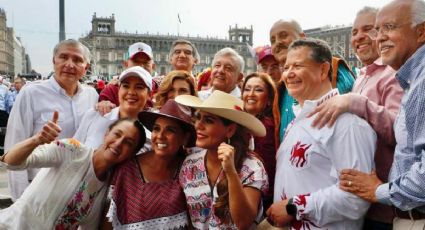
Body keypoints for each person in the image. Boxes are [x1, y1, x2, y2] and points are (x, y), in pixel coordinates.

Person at [306, 6, 404, 229]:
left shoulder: (394, 73)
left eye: (368, 29)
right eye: (354, 31)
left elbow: (398, 133)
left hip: (385, 207)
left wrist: (355, 102)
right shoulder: (362, 77)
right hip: (359, 202)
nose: (358, 37)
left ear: (382, 33)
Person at [267, 38, 376, 229]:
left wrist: (295, 207)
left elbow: (355, 199)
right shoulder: (295, 123)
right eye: (286, 68)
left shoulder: (347, 124)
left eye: (297, 66)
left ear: (323, 70)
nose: (288, 74)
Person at [338, 0, 425, 229]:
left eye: (389, 27)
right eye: (378, 30)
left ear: (421, 32)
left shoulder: (419, 80)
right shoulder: (409, 78)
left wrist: (379, 191)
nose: (378, 37)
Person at [0, 117, 146, 229]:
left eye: (128, 143)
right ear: (106, 133)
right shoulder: (72, 150)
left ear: (132, 153)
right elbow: (12, 162)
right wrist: (36, 140)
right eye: (117, 134)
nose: (119, 143)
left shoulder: (107, 189)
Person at [5, 39, 99, 201]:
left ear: (86, 68)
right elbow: (14, 143)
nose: (70, 64)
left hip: (77, 189)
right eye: (64, 57)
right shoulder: (31, 93)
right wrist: (20, 200)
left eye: (77, 60)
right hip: (38, 189)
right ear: (54, 61)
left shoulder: (92, 96)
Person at [176, 90, 269, 229]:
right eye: (198, 118)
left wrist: (231, 172)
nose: (198, 126)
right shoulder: (190, 164)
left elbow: (243, 222)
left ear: (230, 130)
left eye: (208, 120)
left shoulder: (252, 167)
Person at [105, 99, 196, 229]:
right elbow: (109, 221)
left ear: (185, 138)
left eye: (170, 130)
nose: (160, 136)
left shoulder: (189, 170)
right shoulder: (127, 170)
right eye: (156, 129)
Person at [269, 19, 356, 141]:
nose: (277, 42)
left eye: (283, 36)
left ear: (302, 37)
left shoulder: (335, 68)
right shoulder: (281, 87)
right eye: (272, 40)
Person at [74, 66, 152, 150]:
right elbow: (72, 150)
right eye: (126, 86)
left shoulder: (151, 135)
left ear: (149, 95)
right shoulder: (94, 115)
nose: (131, 92)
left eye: (139, 87)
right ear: (119, 90)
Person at [241, 72, 280, 211]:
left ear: (269, 99)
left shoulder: (269, 128)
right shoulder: (236, 125)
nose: (251, 94)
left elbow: (270, 168)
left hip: (263, 200)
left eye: (258, 90)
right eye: (247, 89)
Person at [98, 42, 155, 108]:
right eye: (136, 62)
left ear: (153, 66)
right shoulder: (111, 91)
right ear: (126, 64)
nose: (141, 67)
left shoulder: (162, 90)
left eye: (146, 62)